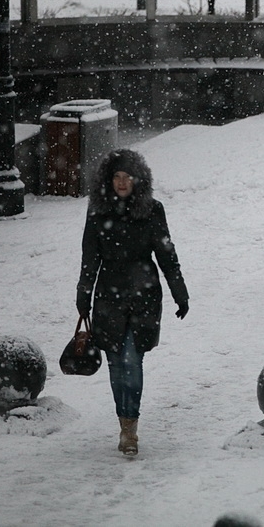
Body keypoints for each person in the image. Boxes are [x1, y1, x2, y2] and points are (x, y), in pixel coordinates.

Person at [76, 148, 190, 456]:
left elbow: (166, 253)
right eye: (116, 176)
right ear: (108, 180)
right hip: (108, 296)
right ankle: (124, 423)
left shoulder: (152, 210)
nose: (122, 182)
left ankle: (131, 429)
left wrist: (180, 292)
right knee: (116, 363)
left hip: (144, 294)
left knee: (131, 359)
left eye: (127, 177)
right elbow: (90, 257)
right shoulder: (98, 211)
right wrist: (83, 294)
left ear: (138, 180)